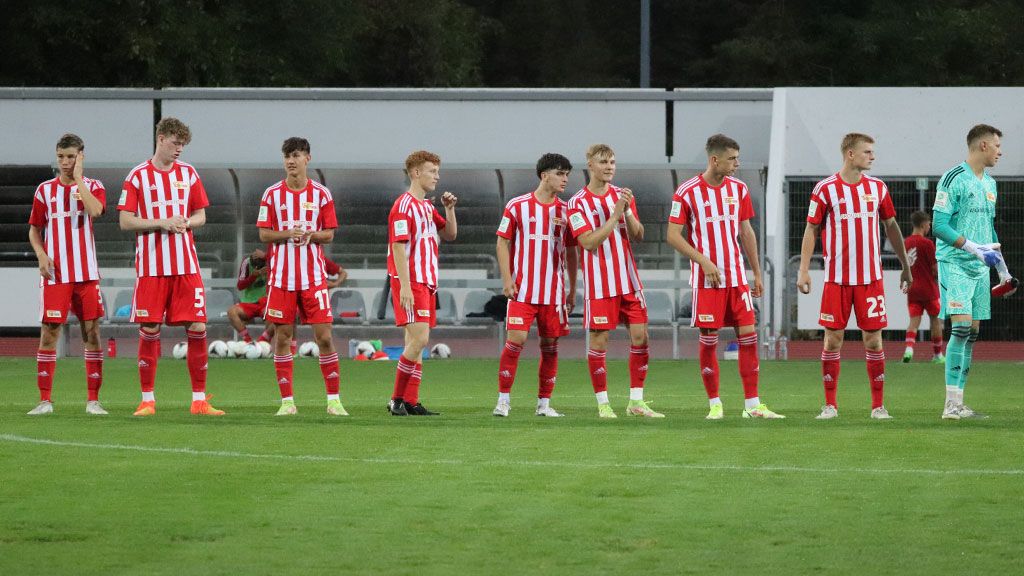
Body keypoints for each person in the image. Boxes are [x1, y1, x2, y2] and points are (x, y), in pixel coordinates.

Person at [666, 134, 783, 419]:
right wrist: (703, 261)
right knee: (709, 339)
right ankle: (715, 404)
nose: (736, 164)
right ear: (714, 159)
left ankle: (752, 405)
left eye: (737, 158)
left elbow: (746, 232)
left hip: (736, 279)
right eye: (731, 159)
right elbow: (672, 235)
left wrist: (755, 272)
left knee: (748, 337)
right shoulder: (687, 191)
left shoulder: (739, 189)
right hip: (708, 281)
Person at [797, 133, 912, 420]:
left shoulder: (878, 188)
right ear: (850, 154)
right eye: (867, 152)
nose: (872, 157)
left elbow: (892, 226)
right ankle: (830, 405)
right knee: (832, 341)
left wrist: (905, 265)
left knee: (874, 341)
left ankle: (878, 406)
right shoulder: (825, 189)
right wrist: (803, 269)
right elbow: (811, 229)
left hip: (870, 279)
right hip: (836, 279)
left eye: (873, 152)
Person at [118, 117, 223, 416]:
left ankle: (199, 400)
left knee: (198, 327)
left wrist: (186, 222)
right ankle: (147, 400)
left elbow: (201, 215)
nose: (179, 149)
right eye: (176, 143)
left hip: (186, 266)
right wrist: (161, 223)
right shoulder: (138, 176)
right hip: (152, 267)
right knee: (150, 329)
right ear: (161, 138)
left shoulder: (188, 173)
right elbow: (125, 221)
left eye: (183, 145)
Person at [568, 143, 661, 418]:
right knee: (599, 342)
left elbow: (639, 235)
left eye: (612, 162)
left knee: (641, 337)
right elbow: (587, 243)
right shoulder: (577, 203)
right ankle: (603, 404)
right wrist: (615, 214)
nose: (609, 167)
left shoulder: (623, 196)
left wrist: (628, 211)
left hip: (629, 280)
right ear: (590, 166)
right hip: (600, 284)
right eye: (603, 162)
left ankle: (636, 402)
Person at [257, 137, 346, 416]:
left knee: (325, 338)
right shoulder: (271, 194)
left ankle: (333, 400)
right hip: (281, 279)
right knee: (282, 338)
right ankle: (287, 403)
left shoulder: (322, 194)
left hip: (313, 279)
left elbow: (329, 233)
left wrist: (310, 235)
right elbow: (263, 234)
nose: (290, 161)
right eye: (286, 156)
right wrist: (289, 234)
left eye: (295, 155)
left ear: (308, 158)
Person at [932, 124, 1016, 419]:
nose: (1000, 152)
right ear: (982, 146)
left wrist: (1003, 271)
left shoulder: (990, 184)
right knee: (963, 327)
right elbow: (939, 226)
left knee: (973, 333)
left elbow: (990, 230)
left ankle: (959, 401)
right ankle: (950, 405)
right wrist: (972, 248)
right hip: (955, 263)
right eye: (997, 146)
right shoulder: (953, 178)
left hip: (980, 268)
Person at [26, 134, 107, 415]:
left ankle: (93, 401)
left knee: (91, 333)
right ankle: (45, 401)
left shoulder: (94, 186)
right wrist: (41, 254)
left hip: (86, 274)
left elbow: (96, 210)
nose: (65, 162)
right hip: (55, 275)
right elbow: (35, 229)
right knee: (49, 334)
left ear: (81, 156)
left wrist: (80, 179)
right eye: (61, 156)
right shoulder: (44, 191)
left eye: (71, 156)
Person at [492, 153, 578, 418]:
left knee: (550, 346)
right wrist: (507, 279)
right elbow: (502, 242)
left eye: (567, 175)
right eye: (560, 174)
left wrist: (572, 289)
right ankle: (503, 400)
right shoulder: (517, 205)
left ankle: (544, 404)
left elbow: (572, 251)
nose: (565, 179)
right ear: (544, 175)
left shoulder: (566, 211)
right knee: (515, 340)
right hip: (523, 290)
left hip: (553, 293)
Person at [386, 150, 457, 416]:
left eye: (438, 172)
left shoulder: (427, 207)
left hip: (427, 282)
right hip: (411, 281)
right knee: (420, 339)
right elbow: (398, 248)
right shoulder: (403, 206)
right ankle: (396, 399)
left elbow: (449, 234)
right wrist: (405, 285)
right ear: (416, 173)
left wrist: (449, 210)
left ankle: (411, 402)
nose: (437, 177)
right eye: (432, 171)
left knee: (414, 342)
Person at [902, 211, 944, 364]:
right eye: (928, 223)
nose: (929, 226)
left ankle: (908, 350)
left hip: (912, 288)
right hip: (928, 289)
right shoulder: (927, 244)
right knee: (935, 320)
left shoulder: (906, 243)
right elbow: (935, 269)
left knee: (914, 321)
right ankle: (937, 355)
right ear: (922, 225)